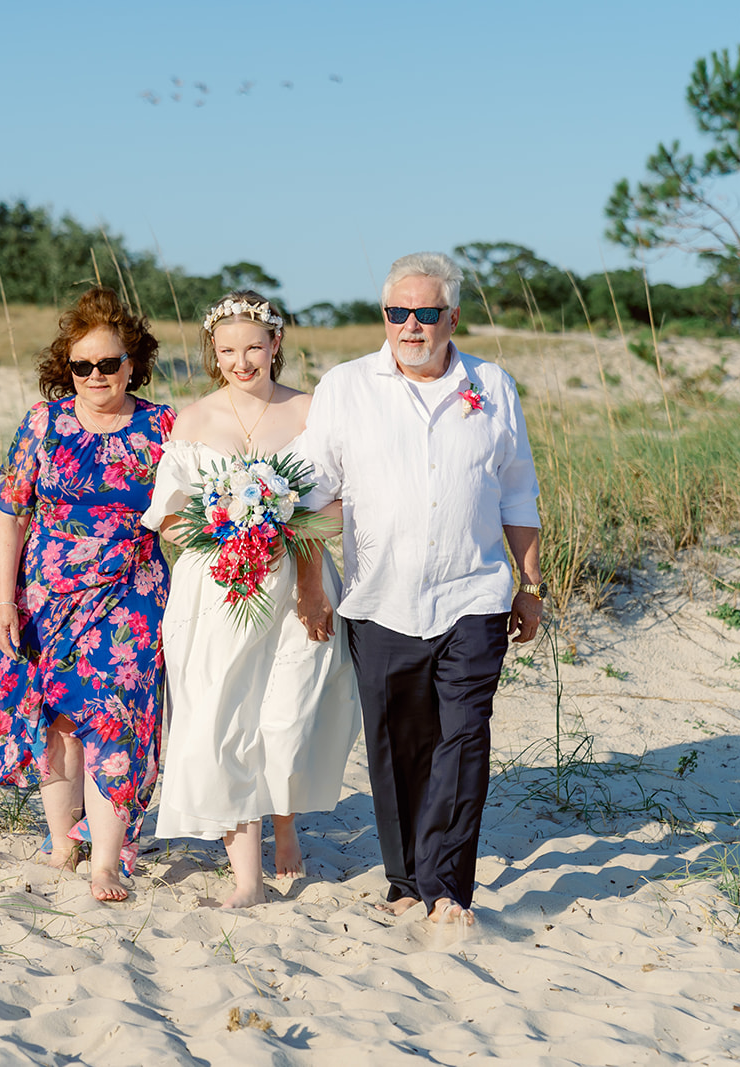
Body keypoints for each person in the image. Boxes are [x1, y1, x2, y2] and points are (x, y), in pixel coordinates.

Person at [296, 253, 544, 925]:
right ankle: (406, 879)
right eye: (397, 312)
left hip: (476, 596)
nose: (410, 325)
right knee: (398, 744)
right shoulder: (346, 386)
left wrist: (531, 584)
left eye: (425, 312)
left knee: (464, 738)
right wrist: (310, 583)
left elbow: (518, 489)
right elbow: (315, 490)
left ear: (451, 317)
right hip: (380, 599)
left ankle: (448, 892)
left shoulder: (493, 385)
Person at [0, 287, 176, 902]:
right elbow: (12, 515)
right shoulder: (44, 422)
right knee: (58, 721)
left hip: (130, 595)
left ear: (132, 363)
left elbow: (186, 513)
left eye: (108, 364)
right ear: (68, 368)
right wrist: (6, 601)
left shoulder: (162, 425)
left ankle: (106, 861)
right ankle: (62, 840)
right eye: (82, 366)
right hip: (48, 597)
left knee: (119, 720)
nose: (95, 376)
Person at [143, 290, 361, 909]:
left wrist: (289, 538)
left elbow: (339, 504)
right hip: (217, 590)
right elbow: (168, 518)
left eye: (254, 348)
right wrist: (225, 525)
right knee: (224, 719)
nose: (242, 362)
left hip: (297, 581)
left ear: (276, 347)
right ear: (214, 352)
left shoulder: (312, 411)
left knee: (288, 714)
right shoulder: (192, 420)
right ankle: (246, 878)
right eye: (228, 350)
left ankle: (286, 826)